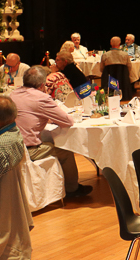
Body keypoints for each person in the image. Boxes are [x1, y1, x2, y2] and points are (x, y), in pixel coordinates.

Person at [10, 67, 91, 197]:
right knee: (65, 150)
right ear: (42, 85)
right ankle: (72, 189)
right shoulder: (41, 98)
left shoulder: (13, 94)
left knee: (47, 139)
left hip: (11, 147)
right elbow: (68, 121)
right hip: (29, 150)